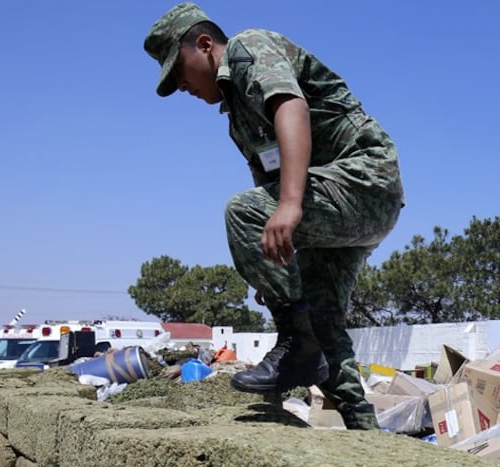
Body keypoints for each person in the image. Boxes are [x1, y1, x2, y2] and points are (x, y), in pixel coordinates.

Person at [144, 3, 403, 429]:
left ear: (205, 45)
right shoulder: (237, 119)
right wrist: (271, 269)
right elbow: (269, 178)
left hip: (363, 181)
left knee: (242, 211)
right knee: (321, 318)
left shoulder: (248, 48)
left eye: (179, 71)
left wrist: (288, 205)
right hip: (335, 201)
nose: (181, 85)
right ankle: (365, 429)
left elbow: (291, 107)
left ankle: (296, 344)